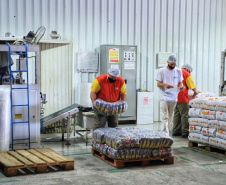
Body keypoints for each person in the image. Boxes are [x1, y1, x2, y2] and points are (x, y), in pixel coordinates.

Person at [156, 55, 184, 136]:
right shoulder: (161, 71)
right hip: (164, 97)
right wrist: (165, 84)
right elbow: (158, 84)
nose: (173, 66)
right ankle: (164, 134)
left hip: (174, 97)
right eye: (171, 64)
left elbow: (180, 82)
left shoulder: (178, 71)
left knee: (170, 117)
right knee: (165, 116)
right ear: (167, 62)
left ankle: (166, 132)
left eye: (174, 64)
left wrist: (181, 86)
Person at [173, 64, 198, 138]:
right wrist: (195, 92)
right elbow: (191, 85)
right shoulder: (186, 73)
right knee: (185, 115)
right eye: (190, 72)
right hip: (182, 97)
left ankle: (176, 131)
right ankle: (185, 132)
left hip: (173, 97)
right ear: (188, 69)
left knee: (176, 114)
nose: (189, 73)